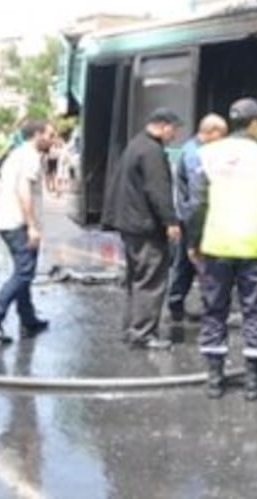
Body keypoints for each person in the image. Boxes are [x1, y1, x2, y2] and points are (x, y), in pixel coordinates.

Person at [187, 98, 257, 400]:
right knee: (253, 311)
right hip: (255, 247)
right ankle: (253, 381)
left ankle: (215, 379)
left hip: (215, 245)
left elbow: (197, 205)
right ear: (255, 123)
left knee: (215, 310)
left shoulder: (208, 155)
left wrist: (194, 241)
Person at [103, 108, 183, 350]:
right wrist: (171, 221)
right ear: (164, 125)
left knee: (136, 278)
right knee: (151, 279)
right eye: (174, 129)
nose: (175, 135)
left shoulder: (136, 144)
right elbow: (158, 190)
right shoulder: (152, 151)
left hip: (129, 224)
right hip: (145, 225)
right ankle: (143, 333)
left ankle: (132, 328)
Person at [0, 119, 57, 344]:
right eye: (50, 135)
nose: (53, 140)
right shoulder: (30, 157)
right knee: (24, 273)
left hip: (8, 221)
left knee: (24, 271)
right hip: (18, 224)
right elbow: (23, 191)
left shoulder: (17, 154)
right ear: (37, 135)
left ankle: (28, 320)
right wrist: (32, 225)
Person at [168, 112, 228, 322]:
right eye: (222, 136)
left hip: (189, 217)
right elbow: (197, 196)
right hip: (196, 218)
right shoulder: (197, 155)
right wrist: (197, 229)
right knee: (202, 264)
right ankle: (211, 309)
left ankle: (176, 304)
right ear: (211, 133)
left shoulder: (192, 148)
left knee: (184, 264)